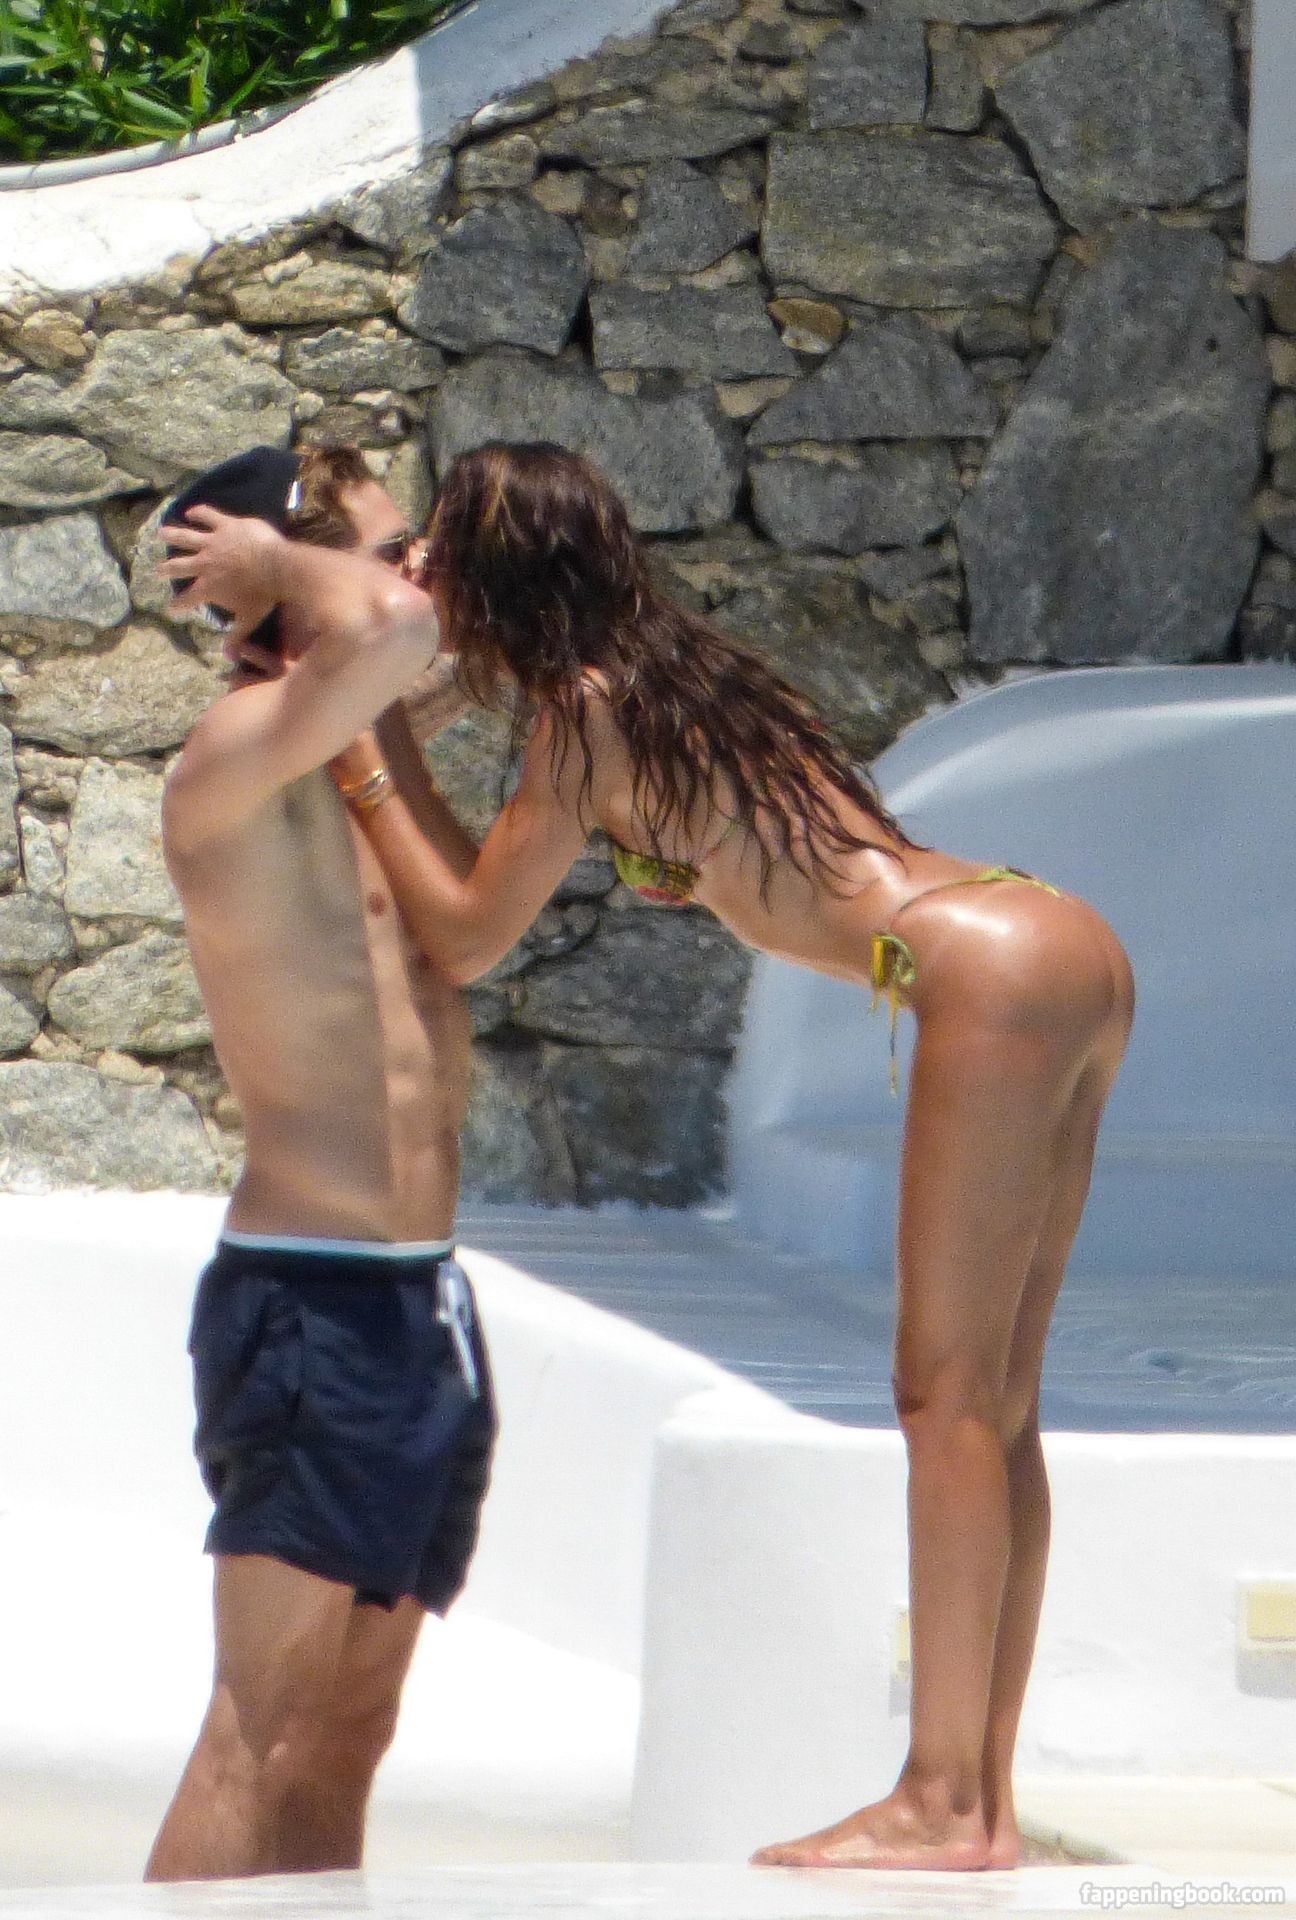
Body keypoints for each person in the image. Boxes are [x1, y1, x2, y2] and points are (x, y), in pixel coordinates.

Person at [172, 438, 1136, 1874]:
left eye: (433, 552)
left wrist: (367, 753)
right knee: (995, 1408)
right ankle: (975, 1799)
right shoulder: (670, 671)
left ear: (490, 572)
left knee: (943, 1398)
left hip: (973, 971)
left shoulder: (579, 712)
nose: (415, 578)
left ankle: (942, 1803)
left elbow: (467, 933)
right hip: (1047, 933)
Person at [146, 444, 497, 1882]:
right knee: (260, 1727)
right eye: (384, 546)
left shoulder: (363, 757)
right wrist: (278, 573)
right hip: (311, 1301)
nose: (417, 573)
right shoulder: (230, 757)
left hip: (422, 1303)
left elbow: (428, 644)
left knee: (351, 1725)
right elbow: (399, 629)